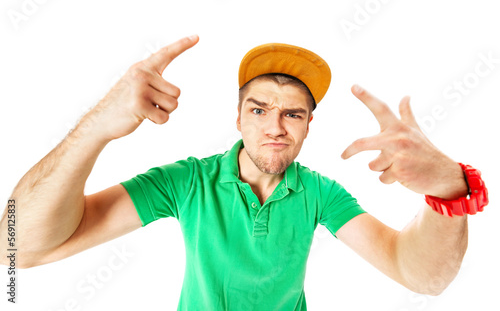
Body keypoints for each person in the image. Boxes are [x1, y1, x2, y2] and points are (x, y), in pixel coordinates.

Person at [0, 35, 488, 310]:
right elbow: (14, 245)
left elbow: (420, 275)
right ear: (237, 118)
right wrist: (95, 129)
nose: (275, 127)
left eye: (292, 114)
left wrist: (450, 190)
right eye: (258, 110)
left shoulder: (319, 194)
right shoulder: (187, 183)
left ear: (308, 126)